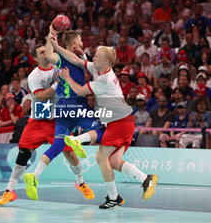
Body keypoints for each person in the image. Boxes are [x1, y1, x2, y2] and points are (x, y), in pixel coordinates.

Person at [51, 38, 157, 209]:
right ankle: (146, 179)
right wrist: (58, 47)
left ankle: (114, 197)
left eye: (97, 55)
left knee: (101, 157)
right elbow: (77, 60)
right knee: (114, 162)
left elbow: (79, 90)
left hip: (119, 122)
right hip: (123, 121)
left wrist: (67, 77)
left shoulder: (103, 80)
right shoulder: (98, 69)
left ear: (106, 61)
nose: (94, 57)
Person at [23, 26, 102, 202]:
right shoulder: (63, 58)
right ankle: (77, 141)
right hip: (77, 106)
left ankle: (35, 176)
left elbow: (80, 60)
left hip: (63, 108)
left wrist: (54, 35)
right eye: (80, 41)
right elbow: (55, 55)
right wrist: (53, 32)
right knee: (102, 129)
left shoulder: (76, 57)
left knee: (57, 145)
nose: (83, 44)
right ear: (75, 43)